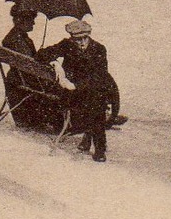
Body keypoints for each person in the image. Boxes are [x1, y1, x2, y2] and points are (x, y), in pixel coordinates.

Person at [37, 20, 120, 162]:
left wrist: (78, 86)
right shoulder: (66, 45)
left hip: (86, 89)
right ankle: (98, 146)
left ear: (89, 36)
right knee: (96, 104)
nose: (81, 42)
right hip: (70, 93)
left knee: (96, 99)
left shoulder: (99, 49)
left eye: (84, 38)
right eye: (77, 39)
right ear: (71, 38)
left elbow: (99, 76)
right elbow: (42, 55)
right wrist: (55, 63)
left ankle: (96, 145)